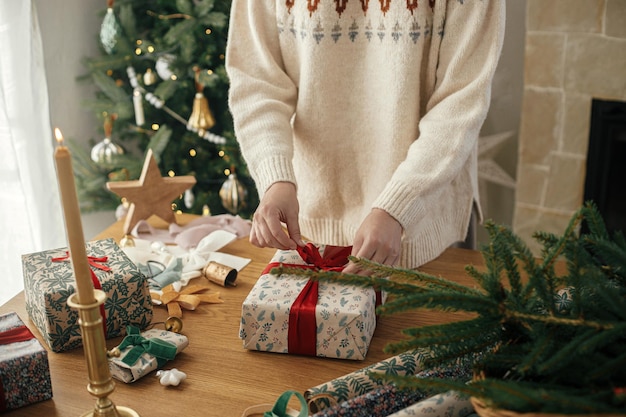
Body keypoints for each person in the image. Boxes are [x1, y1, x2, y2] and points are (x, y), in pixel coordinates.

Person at [225, 0, 505, 273]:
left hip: (423, 226)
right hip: (306, 223)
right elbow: (257, 81)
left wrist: (399, 207)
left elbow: (460, 101)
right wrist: (275, 179)